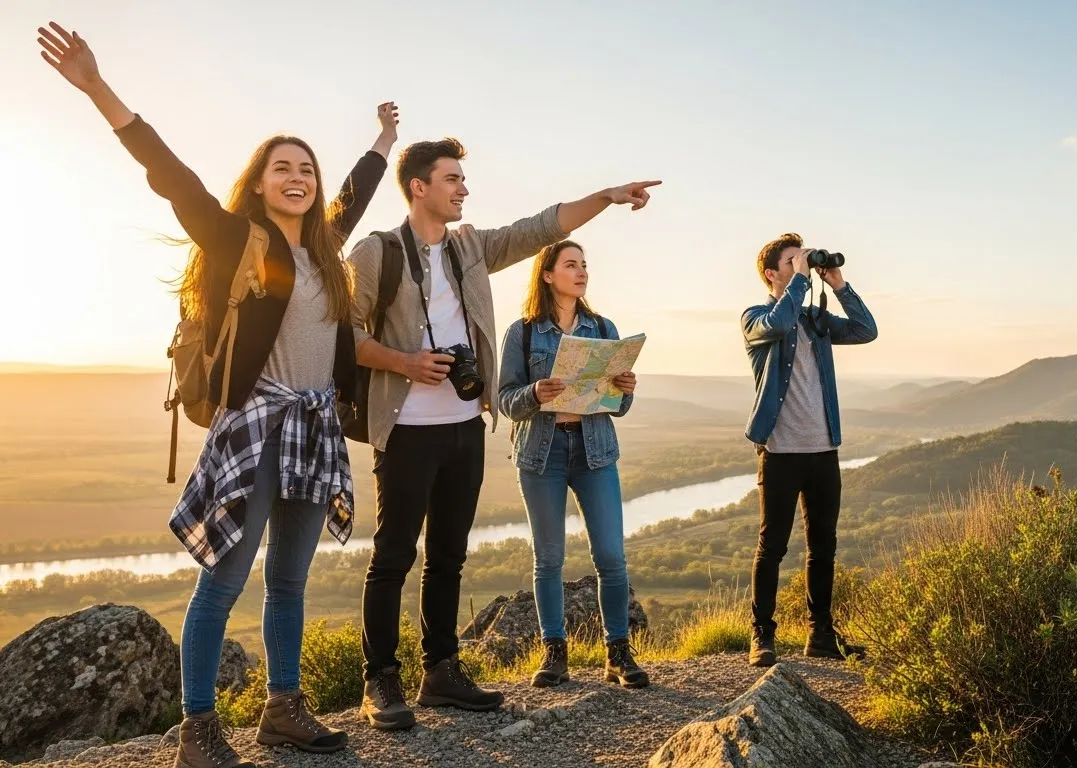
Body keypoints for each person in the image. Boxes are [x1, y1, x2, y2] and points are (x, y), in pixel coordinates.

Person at [38, 22, 397, 768]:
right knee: (224, 581)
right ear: (260, 183)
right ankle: (198, 728)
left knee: (290, 580)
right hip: (257, 427)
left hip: (315, 429)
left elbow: (357, 193)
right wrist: (99, 88)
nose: (296, 175)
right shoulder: (237, 240)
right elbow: (171, 176)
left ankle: (282, 709)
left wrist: (384, 140)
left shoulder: (327, 251)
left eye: (305, 167)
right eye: (280, 167)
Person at [346, 135, 659, 728]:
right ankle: (380, 680)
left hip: (466, 423)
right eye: (452, 180)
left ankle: (440, 671)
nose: (464, 189)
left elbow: (539, 227)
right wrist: (402, 362)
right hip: (406, 427)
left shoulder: (470, 248)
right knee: (392, 557)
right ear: (419, 187)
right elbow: (343, 333)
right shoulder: (377, 252)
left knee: (448, 558)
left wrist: (607, 197)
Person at [497, 240, 646, 690]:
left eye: (584, 265)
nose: (581, 272)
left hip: (595, 450)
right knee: (549, 559)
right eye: (571, 265)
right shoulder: (522, 333)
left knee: (611, 557)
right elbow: (504, 400)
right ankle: (554, 652)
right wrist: (534, 394)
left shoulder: (603, 328)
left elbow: (619, 406)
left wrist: (625, 387)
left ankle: (618, 652)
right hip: (542, 454)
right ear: (548, 275)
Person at [741, 233, 877, 668]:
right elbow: (777, 326)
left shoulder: (814, 320)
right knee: (773, 546)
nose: (800, 265)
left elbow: (864, 330)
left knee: (824, 546)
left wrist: (838, 284)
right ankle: (762, 634)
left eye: (802, 259)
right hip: (781, 451)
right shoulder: (756, 317)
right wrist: (800, 280)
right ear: (771, 273)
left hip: (823, 449)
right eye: (792, 260)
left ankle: (821, 633)